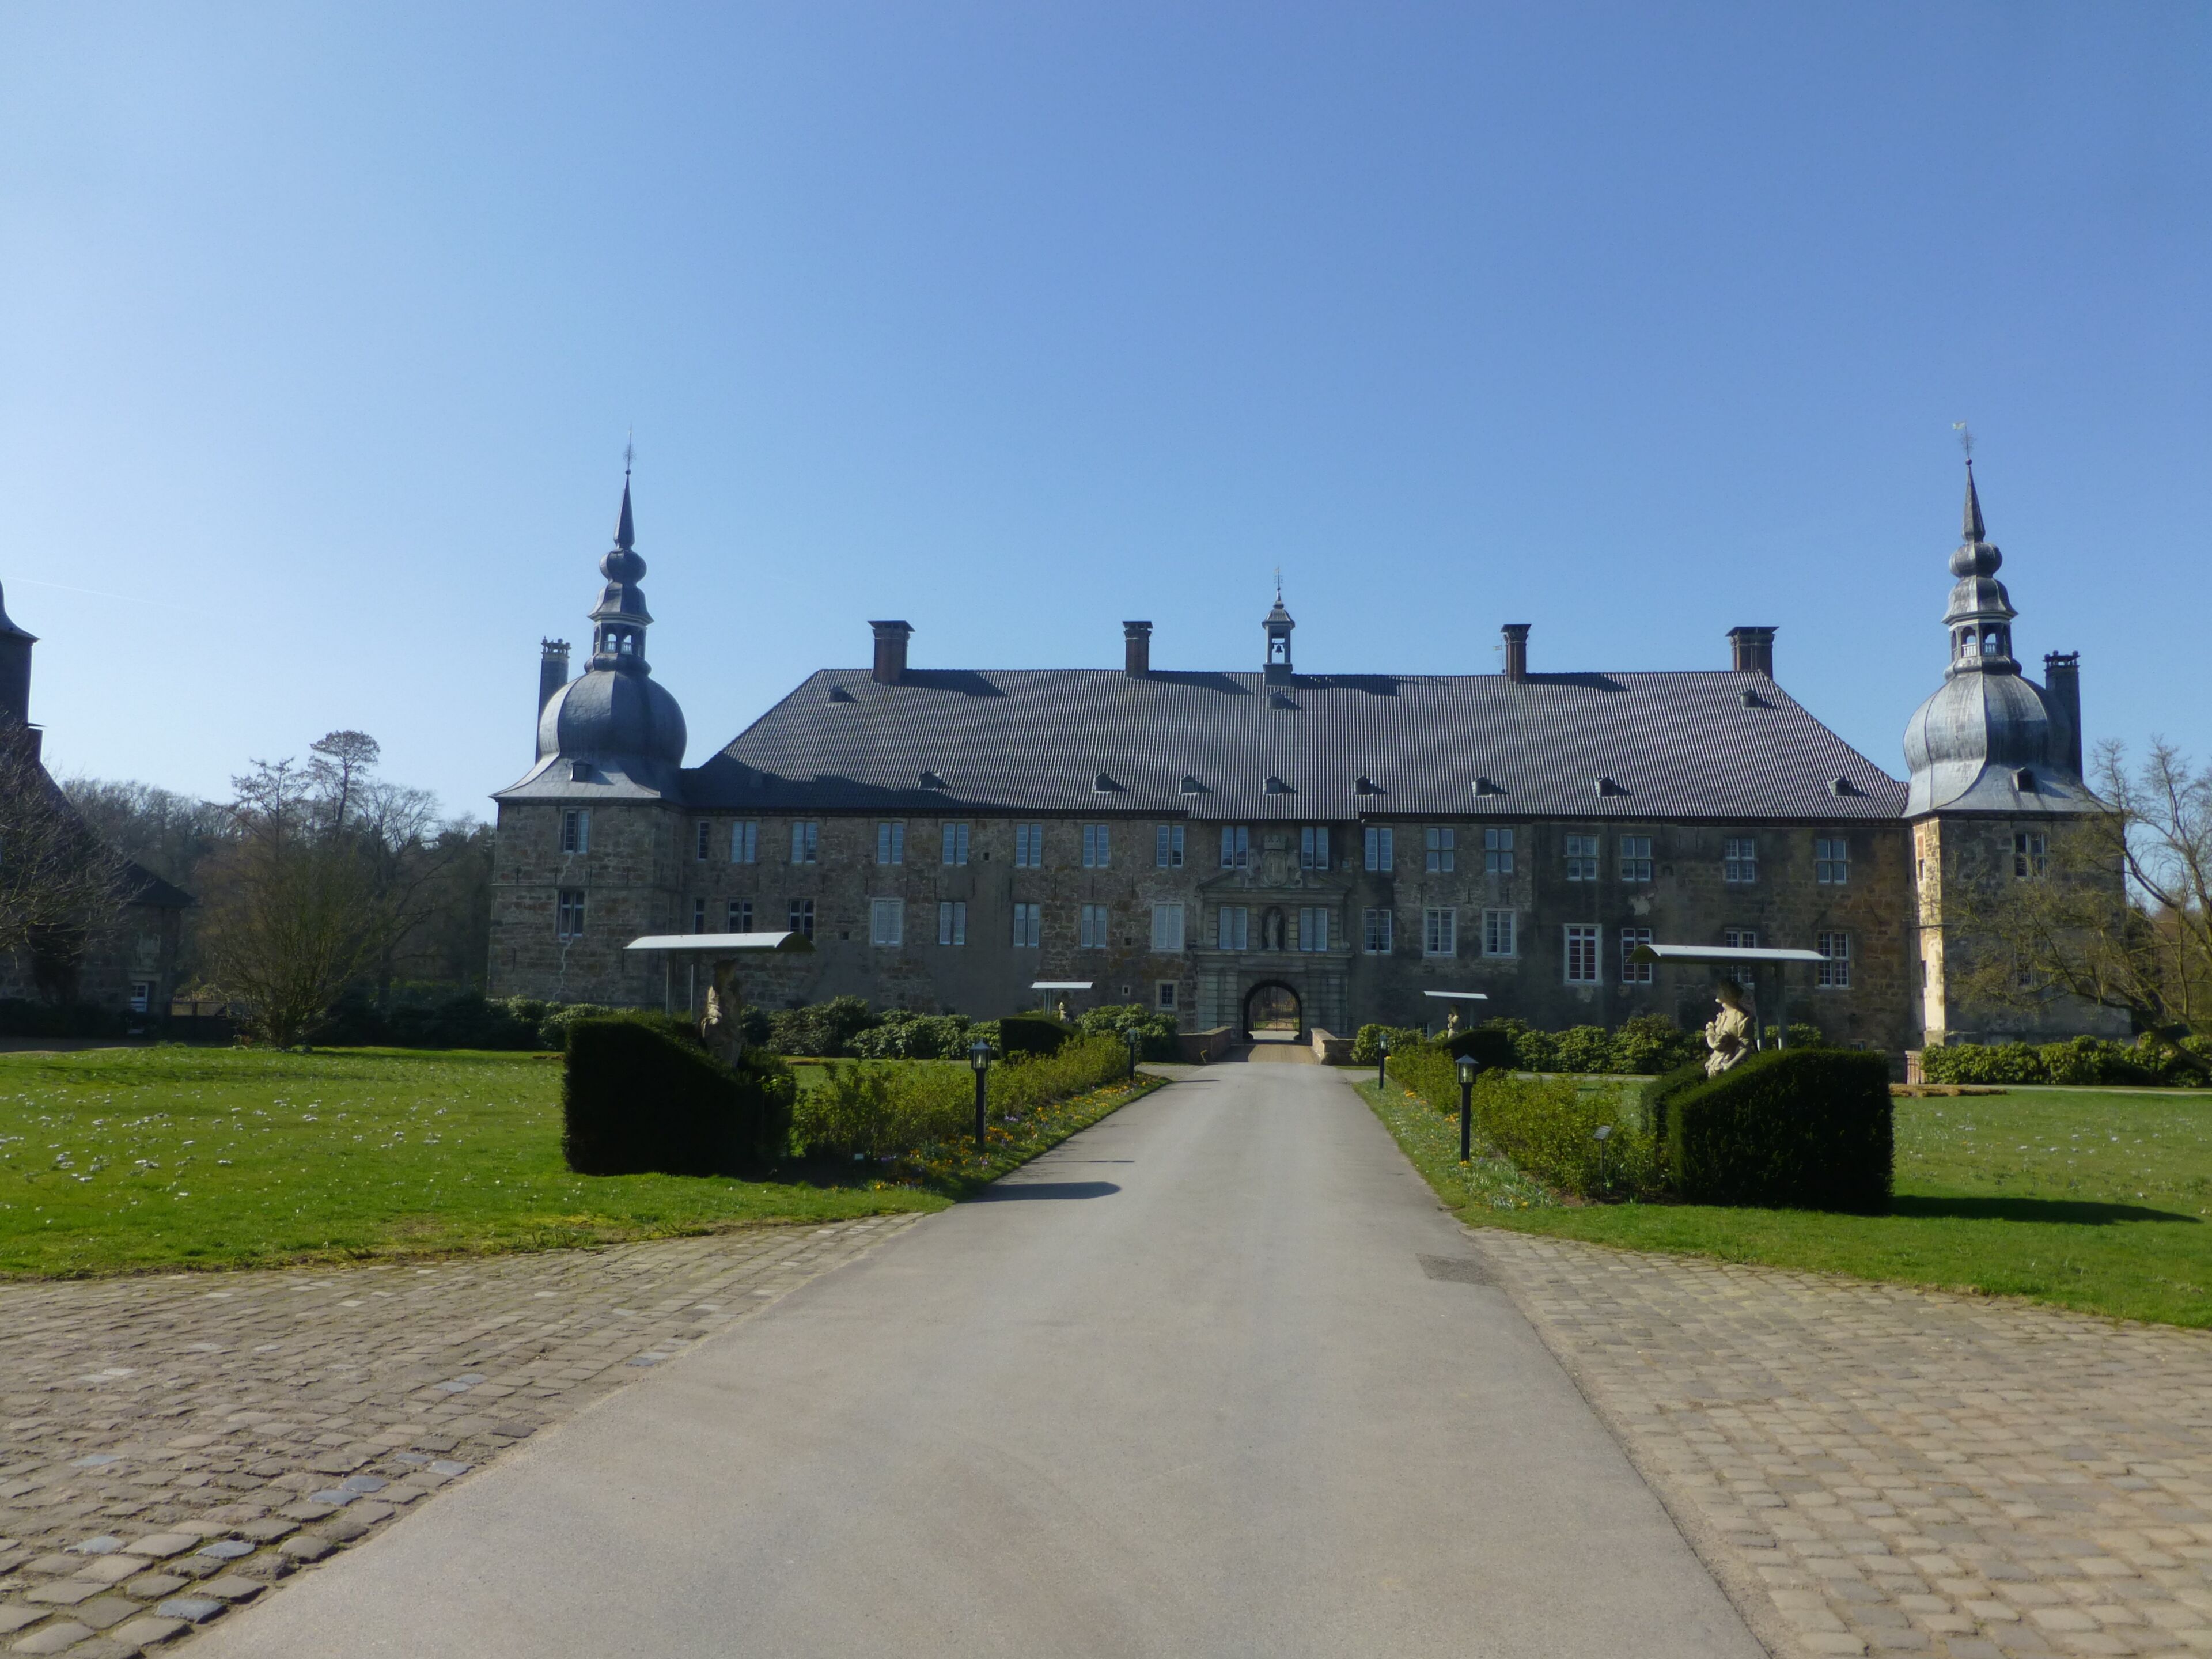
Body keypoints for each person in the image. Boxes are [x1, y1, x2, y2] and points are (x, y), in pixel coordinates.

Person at [1703, 979, 1752, 1077]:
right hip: (1715, 1063)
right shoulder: (1723, 1015)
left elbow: (1745, 1047)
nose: (1717, 992)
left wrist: (1730, 1065)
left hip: (1728, 1065)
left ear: (1727, 993)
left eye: (1720, 990)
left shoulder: (1741, 1016)